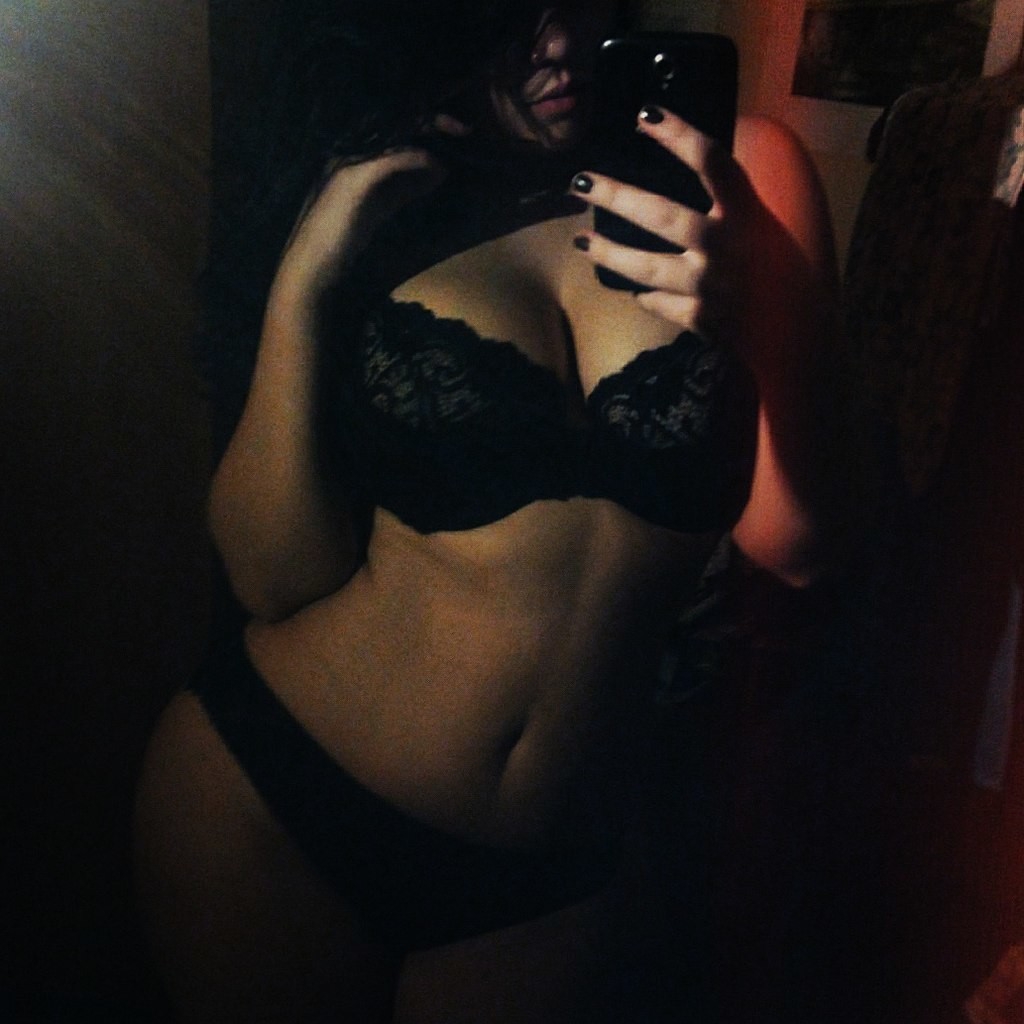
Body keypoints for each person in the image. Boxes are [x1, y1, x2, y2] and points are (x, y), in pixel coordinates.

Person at [134, 1, 840, 1020]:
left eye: (572, 2)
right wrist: (308, 275)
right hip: (272, 796)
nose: (555, 46)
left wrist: (774, 317)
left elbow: (800, 545)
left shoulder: (744, 170)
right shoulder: (391, 176)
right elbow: (275, 578)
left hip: (555, 867)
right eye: (511, 12)